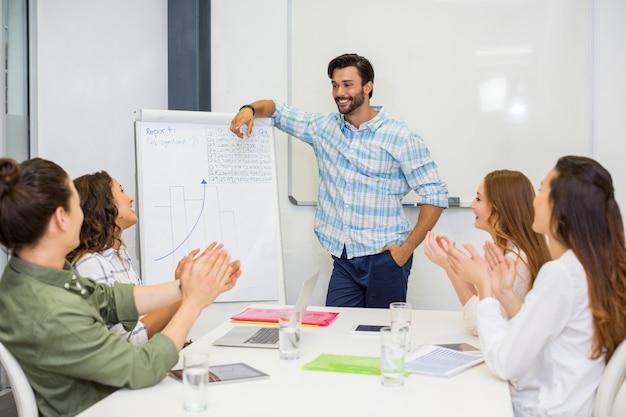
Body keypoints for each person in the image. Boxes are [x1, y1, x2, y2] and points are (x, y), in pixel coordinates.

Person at [0, 157, 242, 417]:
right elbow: (143, 367)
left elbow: (109, 299)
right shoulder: (51, 312)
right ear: (62, 217)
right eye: (75, 205)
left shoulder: (30, 274)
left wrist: (186, 286)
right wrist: (193, 302)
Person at [230, 53, 449, 308]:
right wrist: (249, 109)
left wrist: (404, 251)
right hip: (344, 258)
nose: (339, 92)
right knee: (336, 331)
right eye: (335, 85)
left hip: (384, 259)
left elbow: (435, 194)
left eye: (347, 84)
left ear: (368, 87)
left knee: (380, 339)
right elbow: (277, 110)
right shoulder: (323, 128)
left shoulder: (400, 136)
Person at [446, 156, 626, 416]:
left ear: (562, 208)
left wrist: (484, 287)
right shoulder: (594, 266)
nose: (534, 200)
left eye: (542, 191)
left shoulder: (561, 273)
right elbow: (547, 336)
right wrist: (506, 295)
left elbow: (504, 363)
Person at [67, 171, 192, 345]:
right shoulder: (90, 263)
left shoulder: (119, 254)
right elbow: (129, 341)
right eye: (121, 191)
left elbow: (141, 322)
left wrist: (181, 286)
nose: (130, 198)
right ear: (103, 203)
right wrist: (184, 291)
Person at [424, 170, 551, 334]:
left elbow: (478, 323)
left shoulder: (514, 259)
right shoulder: (506, 251)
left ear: (499, 207)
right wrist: (459, 266)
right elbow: (483, 304)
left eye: (478, 199)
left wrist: (450, 267)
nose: (471, 204)